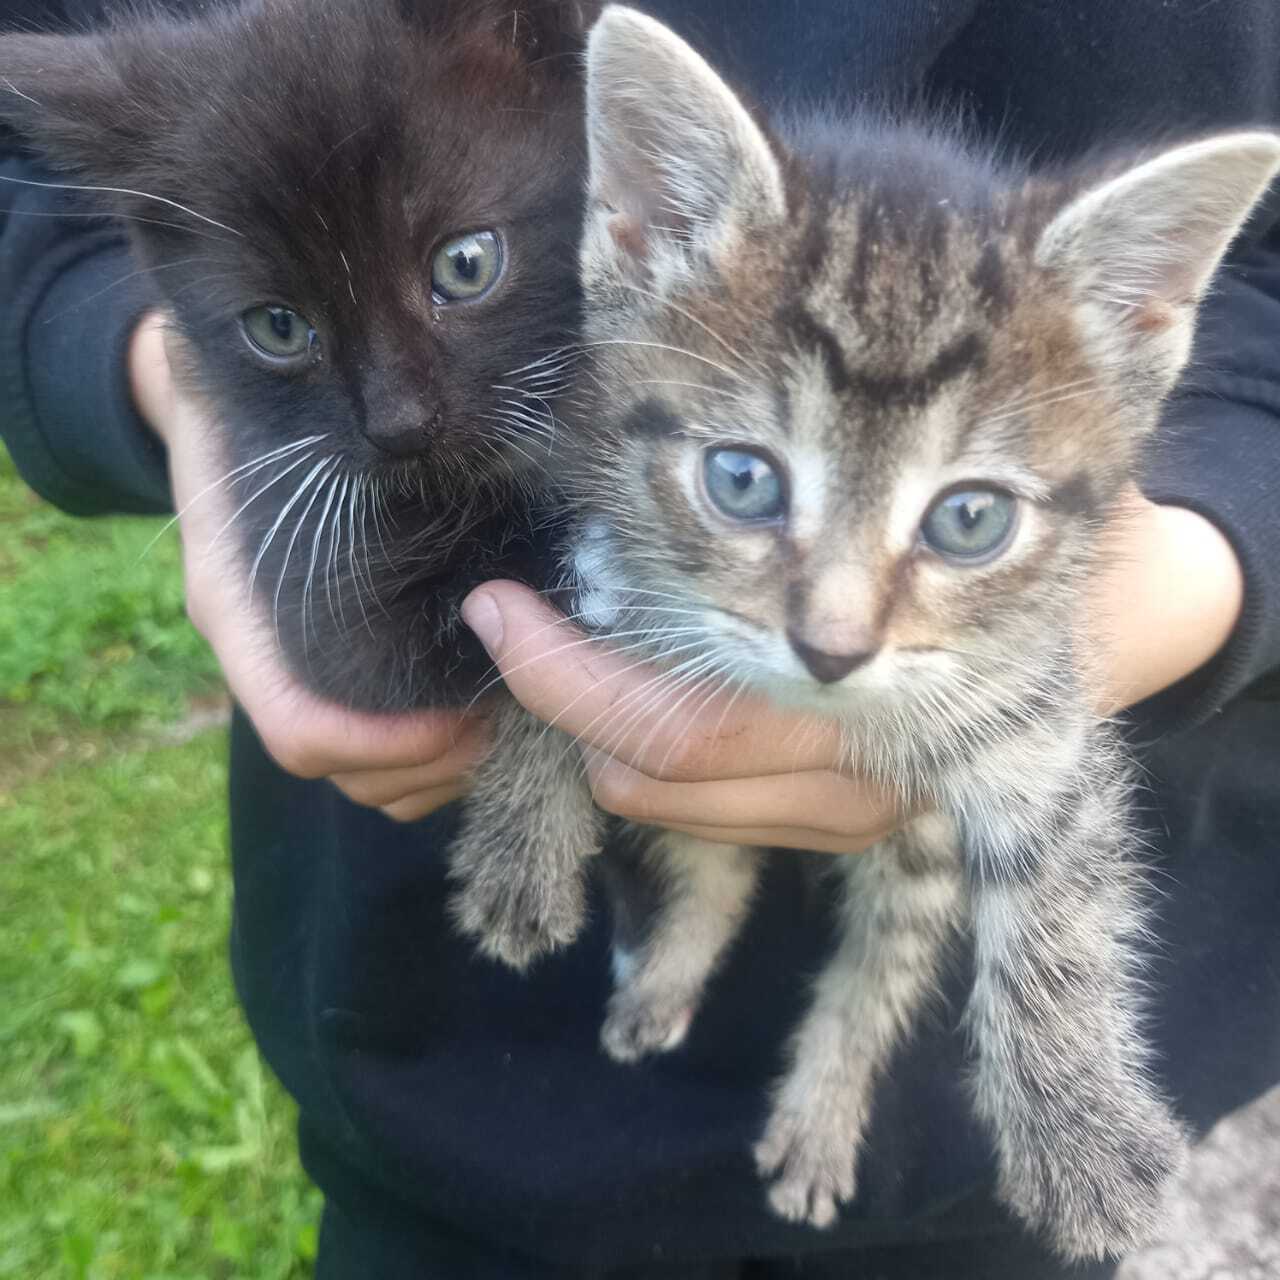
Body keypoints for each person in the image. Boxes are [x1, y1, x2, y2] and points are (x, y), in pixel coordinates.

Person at [3, 0, 1279, 1276]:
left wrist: (1192, 573)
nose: (835, 629)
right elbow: (42, 193)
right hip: (453, 1069)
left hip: (960, 1142)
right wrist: (183, 387)